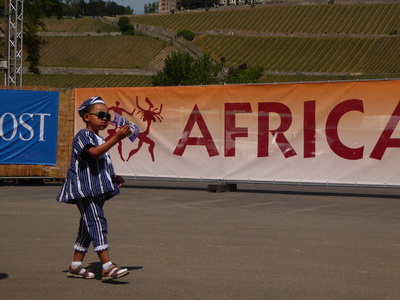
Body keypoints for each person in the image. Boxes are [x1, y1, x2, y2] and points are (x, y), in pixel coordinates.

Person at [57, 96, 131, 282]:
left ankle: (75, 266)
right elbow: (92, 154)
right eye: (100, 114)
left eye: (107, 115)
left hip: (97, 188)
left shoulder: (99, 138)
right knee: (97, 221)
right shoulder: (83, 136)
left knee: (87, 226)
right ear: (87, 117)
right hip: (85, 189)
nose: (105, 118)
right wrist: (117, 137)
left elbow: (98, 163)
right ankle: (107, 267)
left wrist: (113, 177)